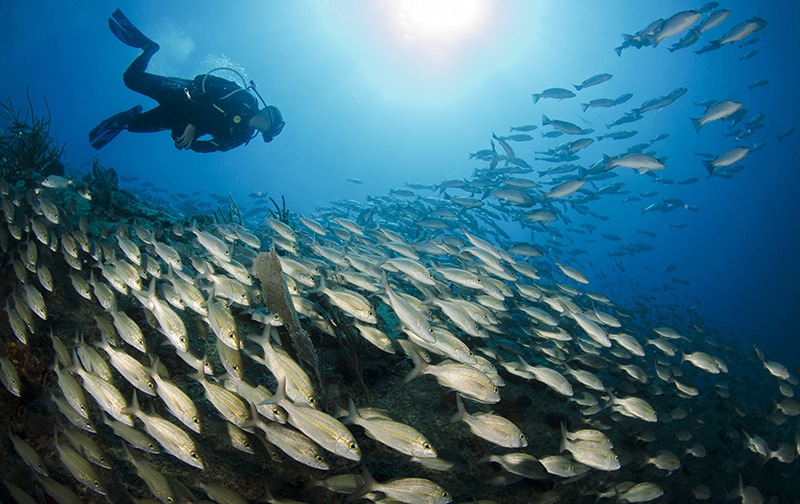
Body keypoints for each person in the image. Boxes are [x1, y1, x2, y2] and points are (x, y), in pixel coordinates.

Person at [89, 9, 284, 153]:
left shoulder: (240, 136)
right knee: (131, 79)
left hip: (176, 118)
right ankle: (149, 48)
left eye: (270, 121)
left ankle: (129, 116)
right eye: (269, 112)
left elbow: (214, 146)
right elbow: (203, 81)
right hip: (180, 94)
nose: (267, 115)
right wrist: (193, 122)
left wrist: (190, 143)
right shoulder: (245, 99)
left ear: (268, 133)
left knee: (134, 127)